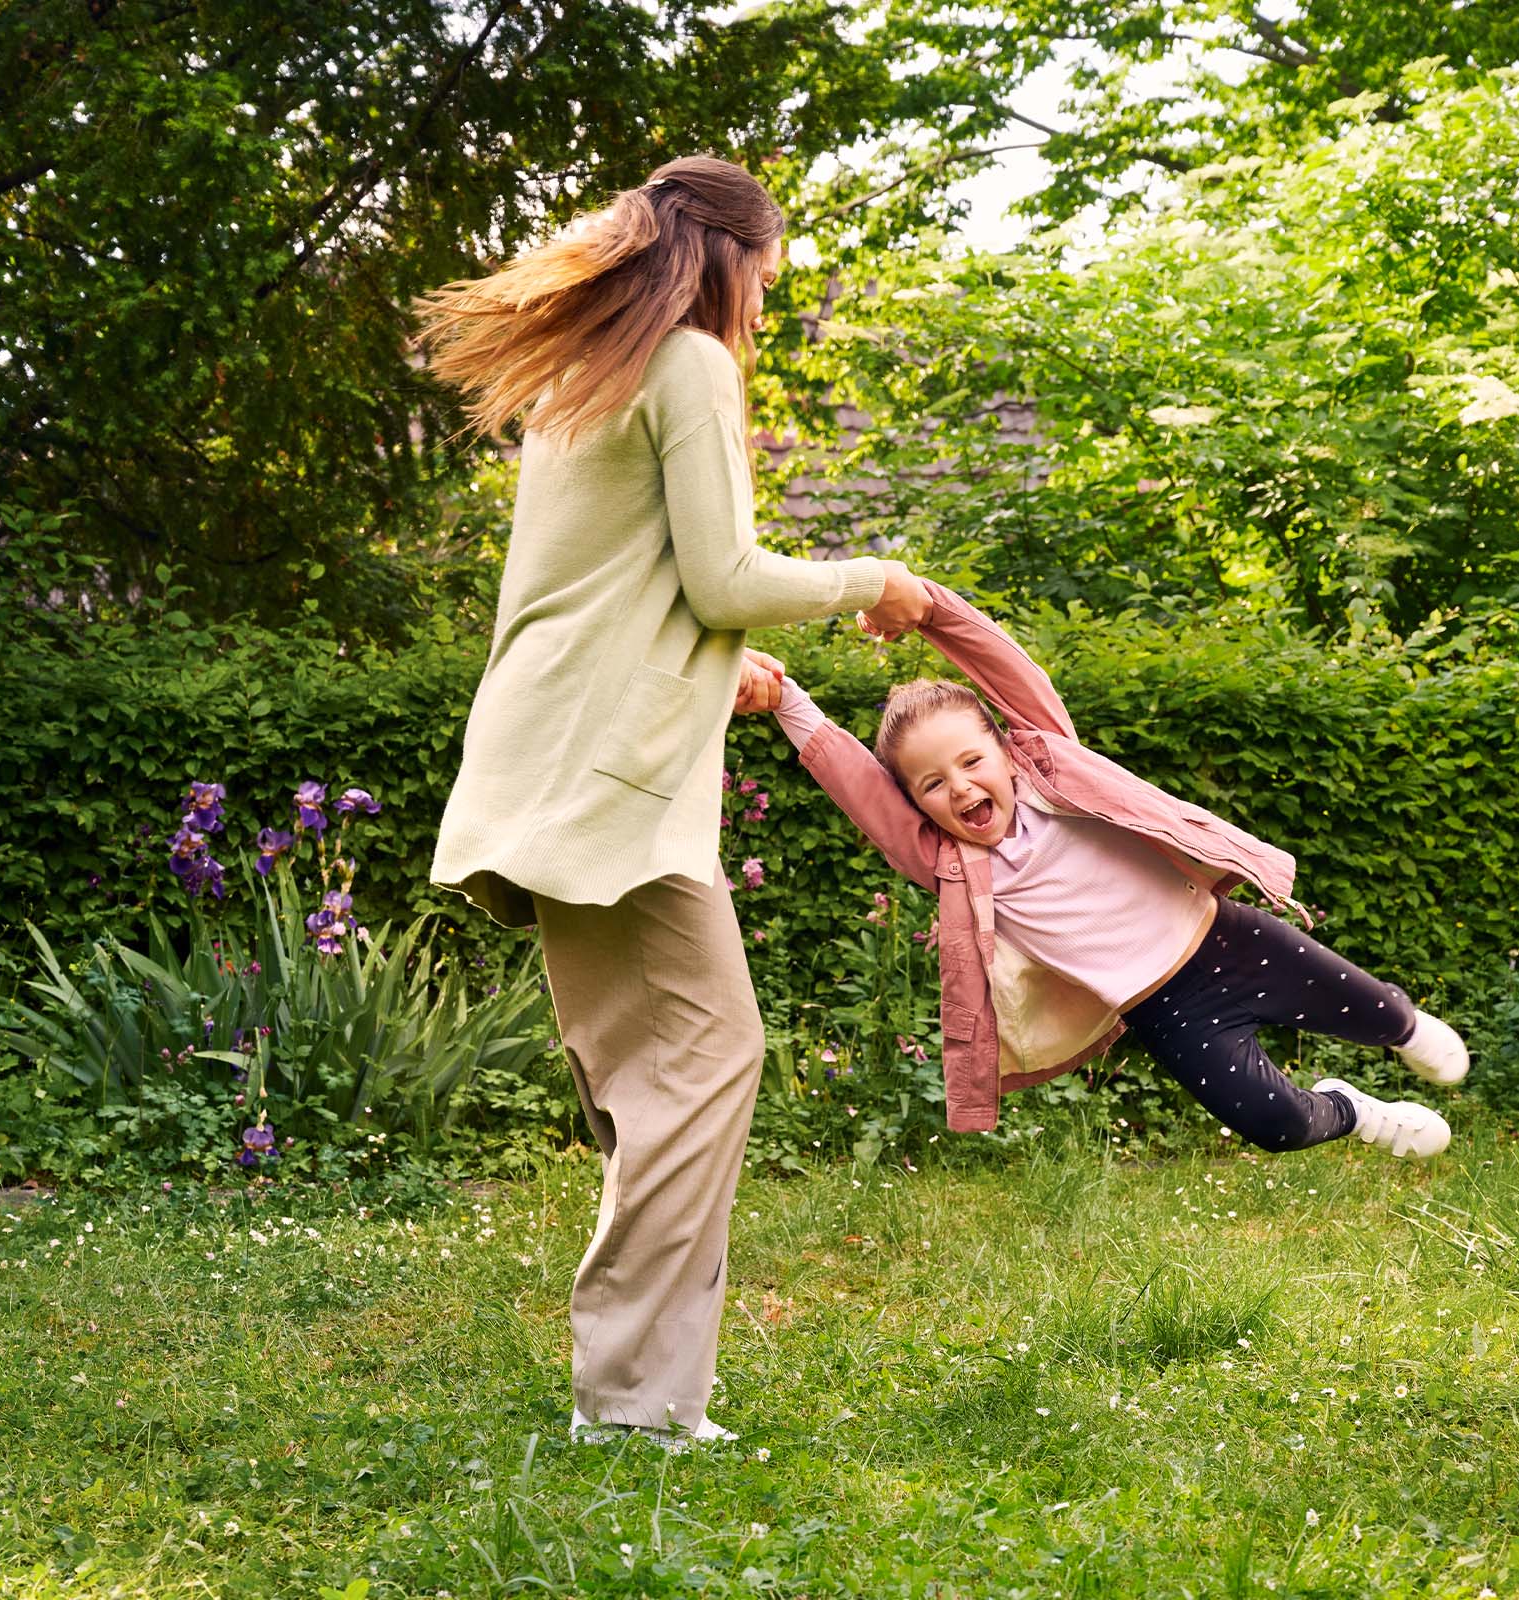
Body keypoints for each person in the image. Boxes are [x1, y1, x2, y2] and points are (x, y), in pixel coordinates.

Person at [411, 155, 933, 1450]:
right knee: (706, 1066)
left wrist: (727, 663)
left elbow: (618, 589)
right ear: (735, 260)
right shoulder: (690, 363)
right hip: (612, 789)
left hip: (551, 760)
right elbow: (718, 573)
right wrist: (874, 580)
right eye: (769, 275)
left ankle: (633, 1394)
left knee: (659, 1081)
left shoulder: (584, 377)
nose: (764, 300)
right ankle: (633, 1408)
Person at [741, 580, 1468, 1158]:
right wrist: (789, 703)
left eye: (970, 762)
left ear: (1005, 751)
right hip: (1166, 1012)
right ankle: (1353, 1111)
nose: (959, 788)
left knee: (1382, 1014)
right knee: (1274, 1125)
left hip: (1227, 940)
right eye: (932, 784)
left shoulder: (1057, 767)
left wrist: (926, 605)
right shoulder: (948, 865)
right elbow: (862, 791)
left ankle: (1404, 1027)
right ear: (918, 806)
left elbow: (1002, 663)